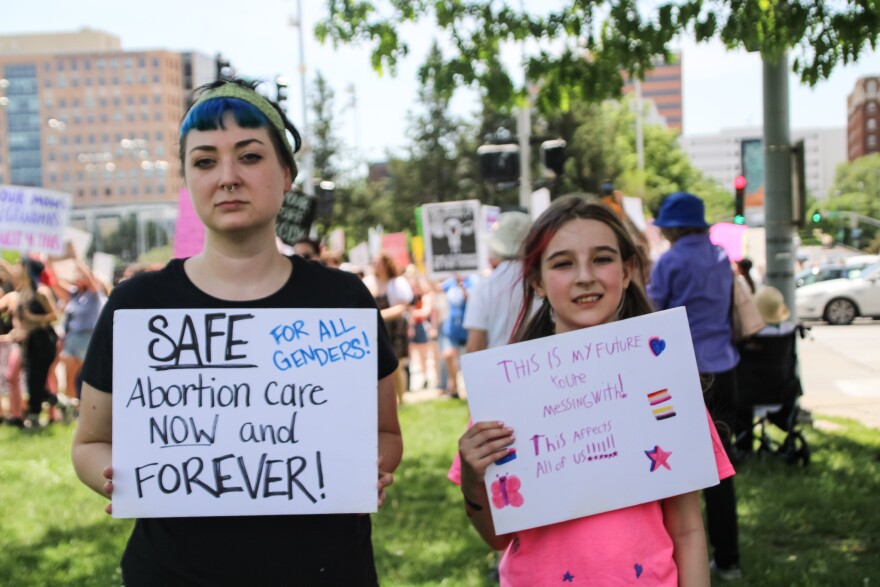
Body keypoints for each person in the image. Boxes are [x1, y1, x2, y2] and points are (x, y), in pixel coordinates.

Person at [71, 79, 402, 586]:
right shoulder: (137, 306)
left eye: (249, 157)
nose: (227, 177)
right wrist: (122, 478)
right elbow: (90, 443)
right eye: (205, 161)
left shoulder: (343, 301)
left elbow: (385, 434)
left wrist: (360, 467)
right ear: (187, 181)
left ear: (287, 175)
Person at [453, 196, 733, 585]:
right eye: (563, 263)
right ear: (536, 279)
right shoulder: (506, 395)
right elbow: (498, 538)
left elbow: (687, 529)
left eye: (602, 259)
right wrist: (472, 477)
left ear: (627, 269)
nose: (585, 276)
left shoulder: (665, 380)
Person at [648, 191, 742, 580]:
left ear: (672, 227)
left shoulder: (670, 261)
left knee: (674, 474)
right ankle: (729, 559)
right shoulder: (722, 257)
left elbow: (652, 314)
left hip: (683, 374)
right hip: (726, 367)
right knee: (722, 471)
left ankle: (676, 560)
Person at [464, 210, 534, 352]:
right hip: (545, 367)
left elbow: (475, 345)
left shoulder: (484, 286)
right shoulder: (545, 281)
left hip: (499, 369)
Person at [363, 251, 414, 404]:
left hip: (394, 328)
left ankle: (402, 398)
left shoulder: (397, 282)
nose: (376, 265)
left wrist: (380, 315)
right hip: (376, 328)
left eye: (379, 262)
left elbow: (402, 307)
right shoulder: (368, 282)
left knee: (396, 364)